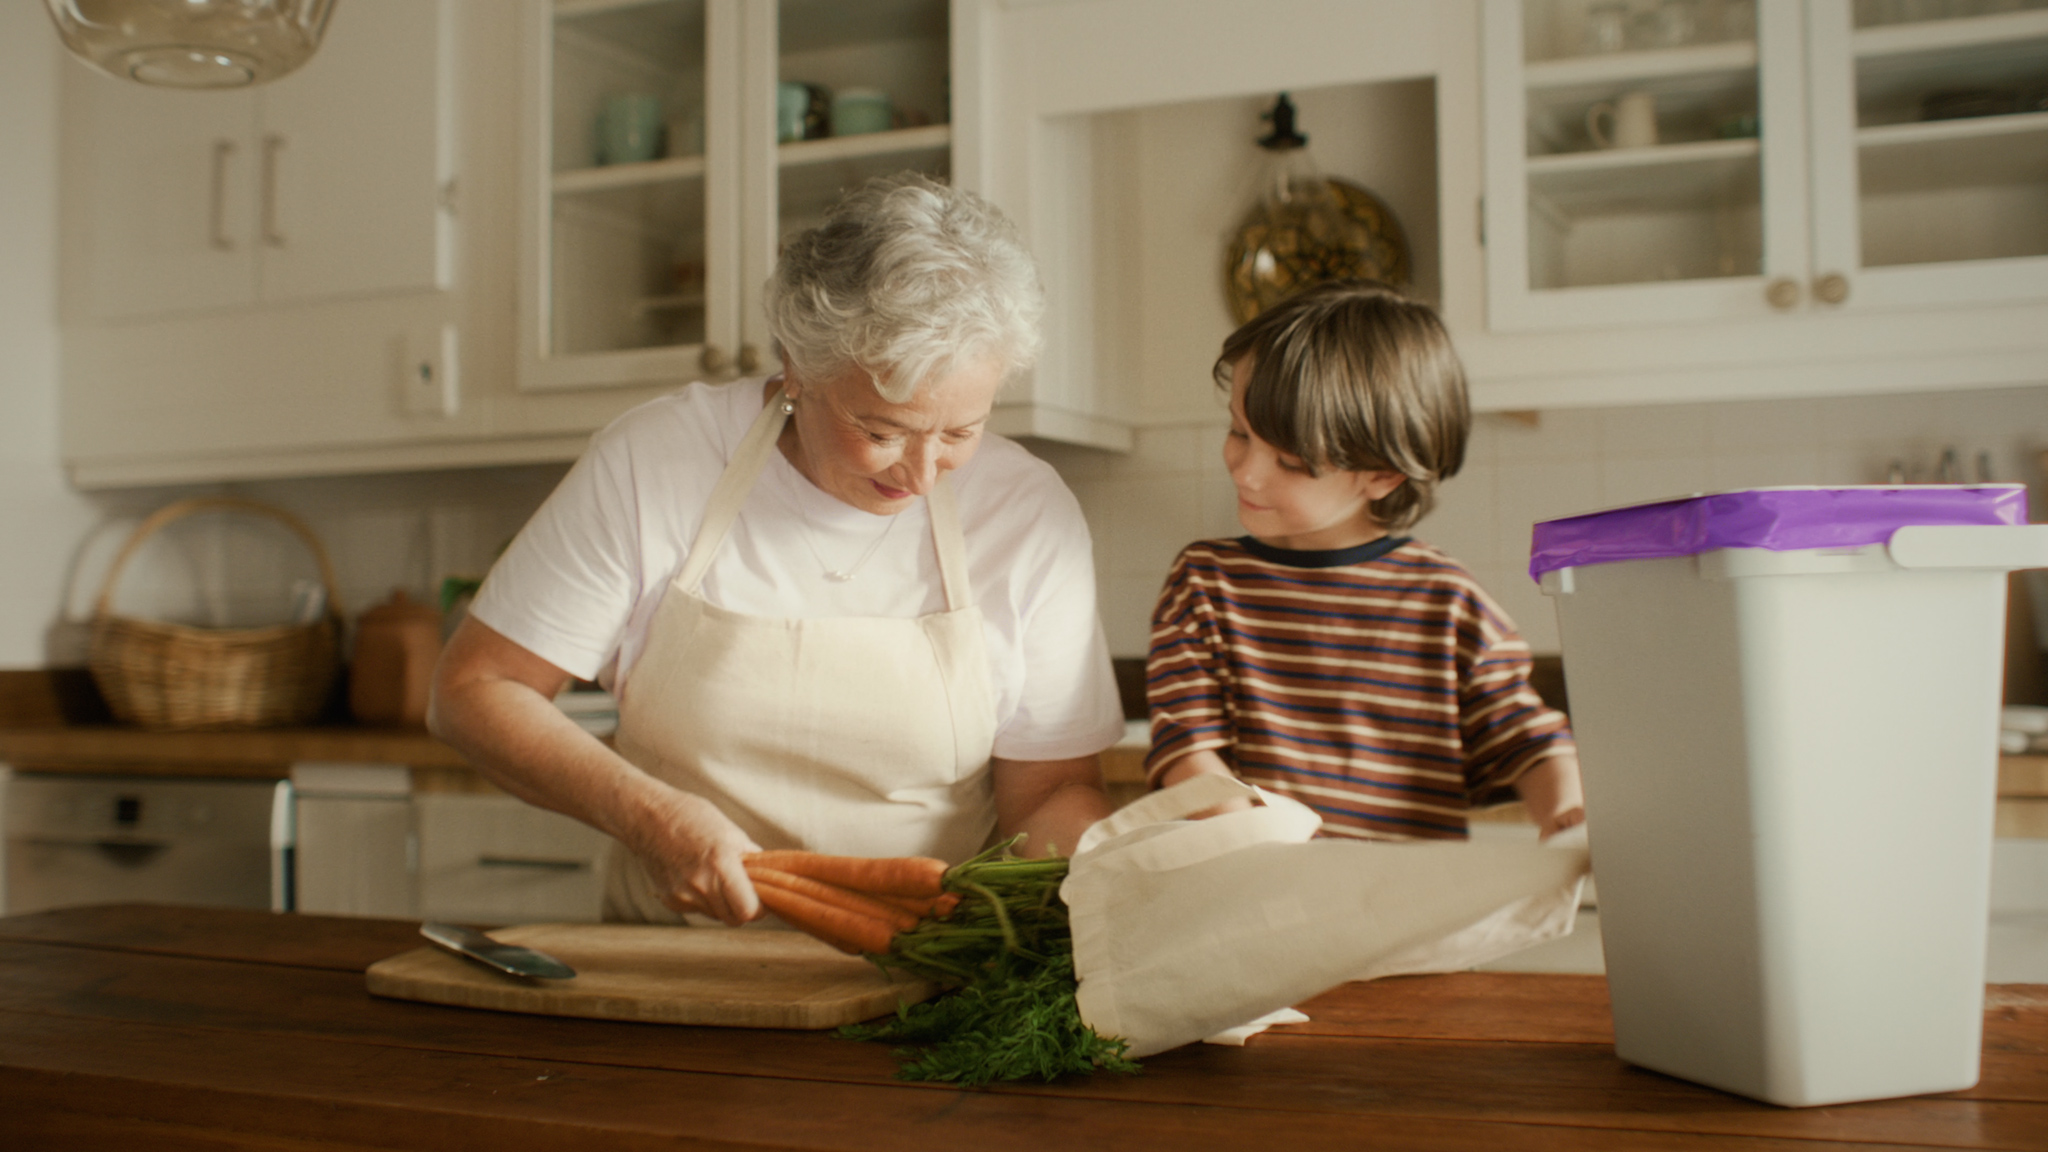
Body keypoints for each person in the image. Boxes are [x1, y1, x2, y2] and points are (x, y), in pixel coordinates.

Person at [429, 174, 1125, 926]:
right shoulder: (658, 462)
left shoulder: (1027, 512)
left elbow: (1050, 796)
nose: (921, 474)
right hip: (673, 962)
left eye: (960, 432)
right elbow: (475, 690)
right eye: (882, 431)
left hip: (926, 977)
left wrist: (1118, 869)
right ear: (798, 366)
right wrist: (649, 818)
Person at [1145, 279, 1585, 841]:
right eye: (1239, 431)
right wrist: (1253, 844)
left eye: (1289, 460)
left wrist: (1567, 811)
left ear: (1382, 474)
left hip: (1411, 915)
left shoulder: (1446, 603)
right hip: (1256, 901)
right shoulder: (1204, 585)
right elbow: (1188, 749)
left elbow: (1528, 740)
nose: (1246, 470)